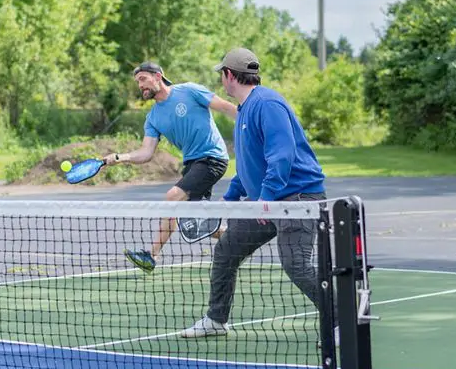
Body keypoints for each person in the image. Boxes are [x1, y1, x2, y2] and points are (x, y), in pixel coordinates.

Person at [182, 48, 327, 338]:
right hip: (267, 201)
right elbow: (251, 164)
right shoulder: (246, 109)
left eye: (221, 74)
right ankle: (216, 319)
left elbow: (282, 156)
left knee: (296, 265)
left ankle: (341, 320)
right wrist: (230, 198)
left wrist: (265, 200)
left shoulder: (267, 104)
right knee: (226, 251)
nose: (221, 80)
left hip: (297, 200)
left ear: (228, 75)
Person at [103, 61, 238, 272]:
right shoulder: (153, 118)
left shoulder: (190, 91)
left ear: (158, 76)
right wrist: (121, 157)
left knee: (172, 197)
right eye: (138, 82)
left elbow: (226, 107)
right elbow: (146, 153)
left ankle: (152, 256)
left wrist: (252, 123)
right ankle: (242, 236)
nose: (140, 85)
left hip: (213, 157)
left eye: (143, 79)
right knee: (197, 223)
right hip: (193, 164)